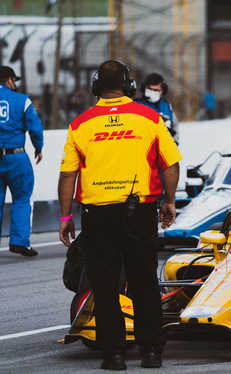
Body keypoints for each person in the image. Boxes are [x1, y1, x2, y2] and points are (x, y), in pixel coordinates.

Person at [58, 60, 182, 370]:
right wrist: (169, 201)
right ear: (128, 86)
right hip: (138, 212)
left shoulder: (80, 124)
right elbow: (170, 163)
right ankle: (151, 352)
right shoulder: (150, 117)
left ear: (96, 87)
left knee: (104, 285)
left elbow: (67, 176)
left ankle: (112, 355)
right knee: (144, 283)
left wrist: (64, 218)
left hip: (98, 216)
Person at [0, 65, 43, 257]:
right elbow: (35, 128)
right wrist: (38, 148)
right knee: (22, 198)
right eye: (14, 81)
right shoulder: (22, 100)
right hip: (16, 157)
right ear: (9, 80)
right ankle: (19, 241)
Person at [136, 72, 179, 144]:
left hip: (163, 148)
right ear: (144, 88)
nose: (153, 92)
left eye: (156, 90)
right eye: (150, 89)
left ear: (162, 91)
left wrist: (174, 144)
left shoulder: (167, 106)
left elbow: (175, 127)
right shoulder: (136, 105)